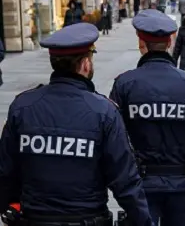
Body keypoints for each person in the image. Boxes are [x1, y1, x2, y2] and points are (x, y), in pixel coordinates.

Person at [0, 23, 153, 226]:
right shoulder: (103, 111)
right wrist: (142, 220)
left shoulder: (23, 107)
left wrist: (10, 206)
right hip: (87, 219)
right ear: (85, 64)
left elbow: (5, 171)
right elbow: (124, 180)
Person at [109, 10, 185, 226]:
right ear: (169, 42)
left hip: (139, 185)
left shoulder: (124, 84)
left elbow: (113, 142)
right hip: (179, 183)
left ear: (141, 43)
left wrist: (117, 182)